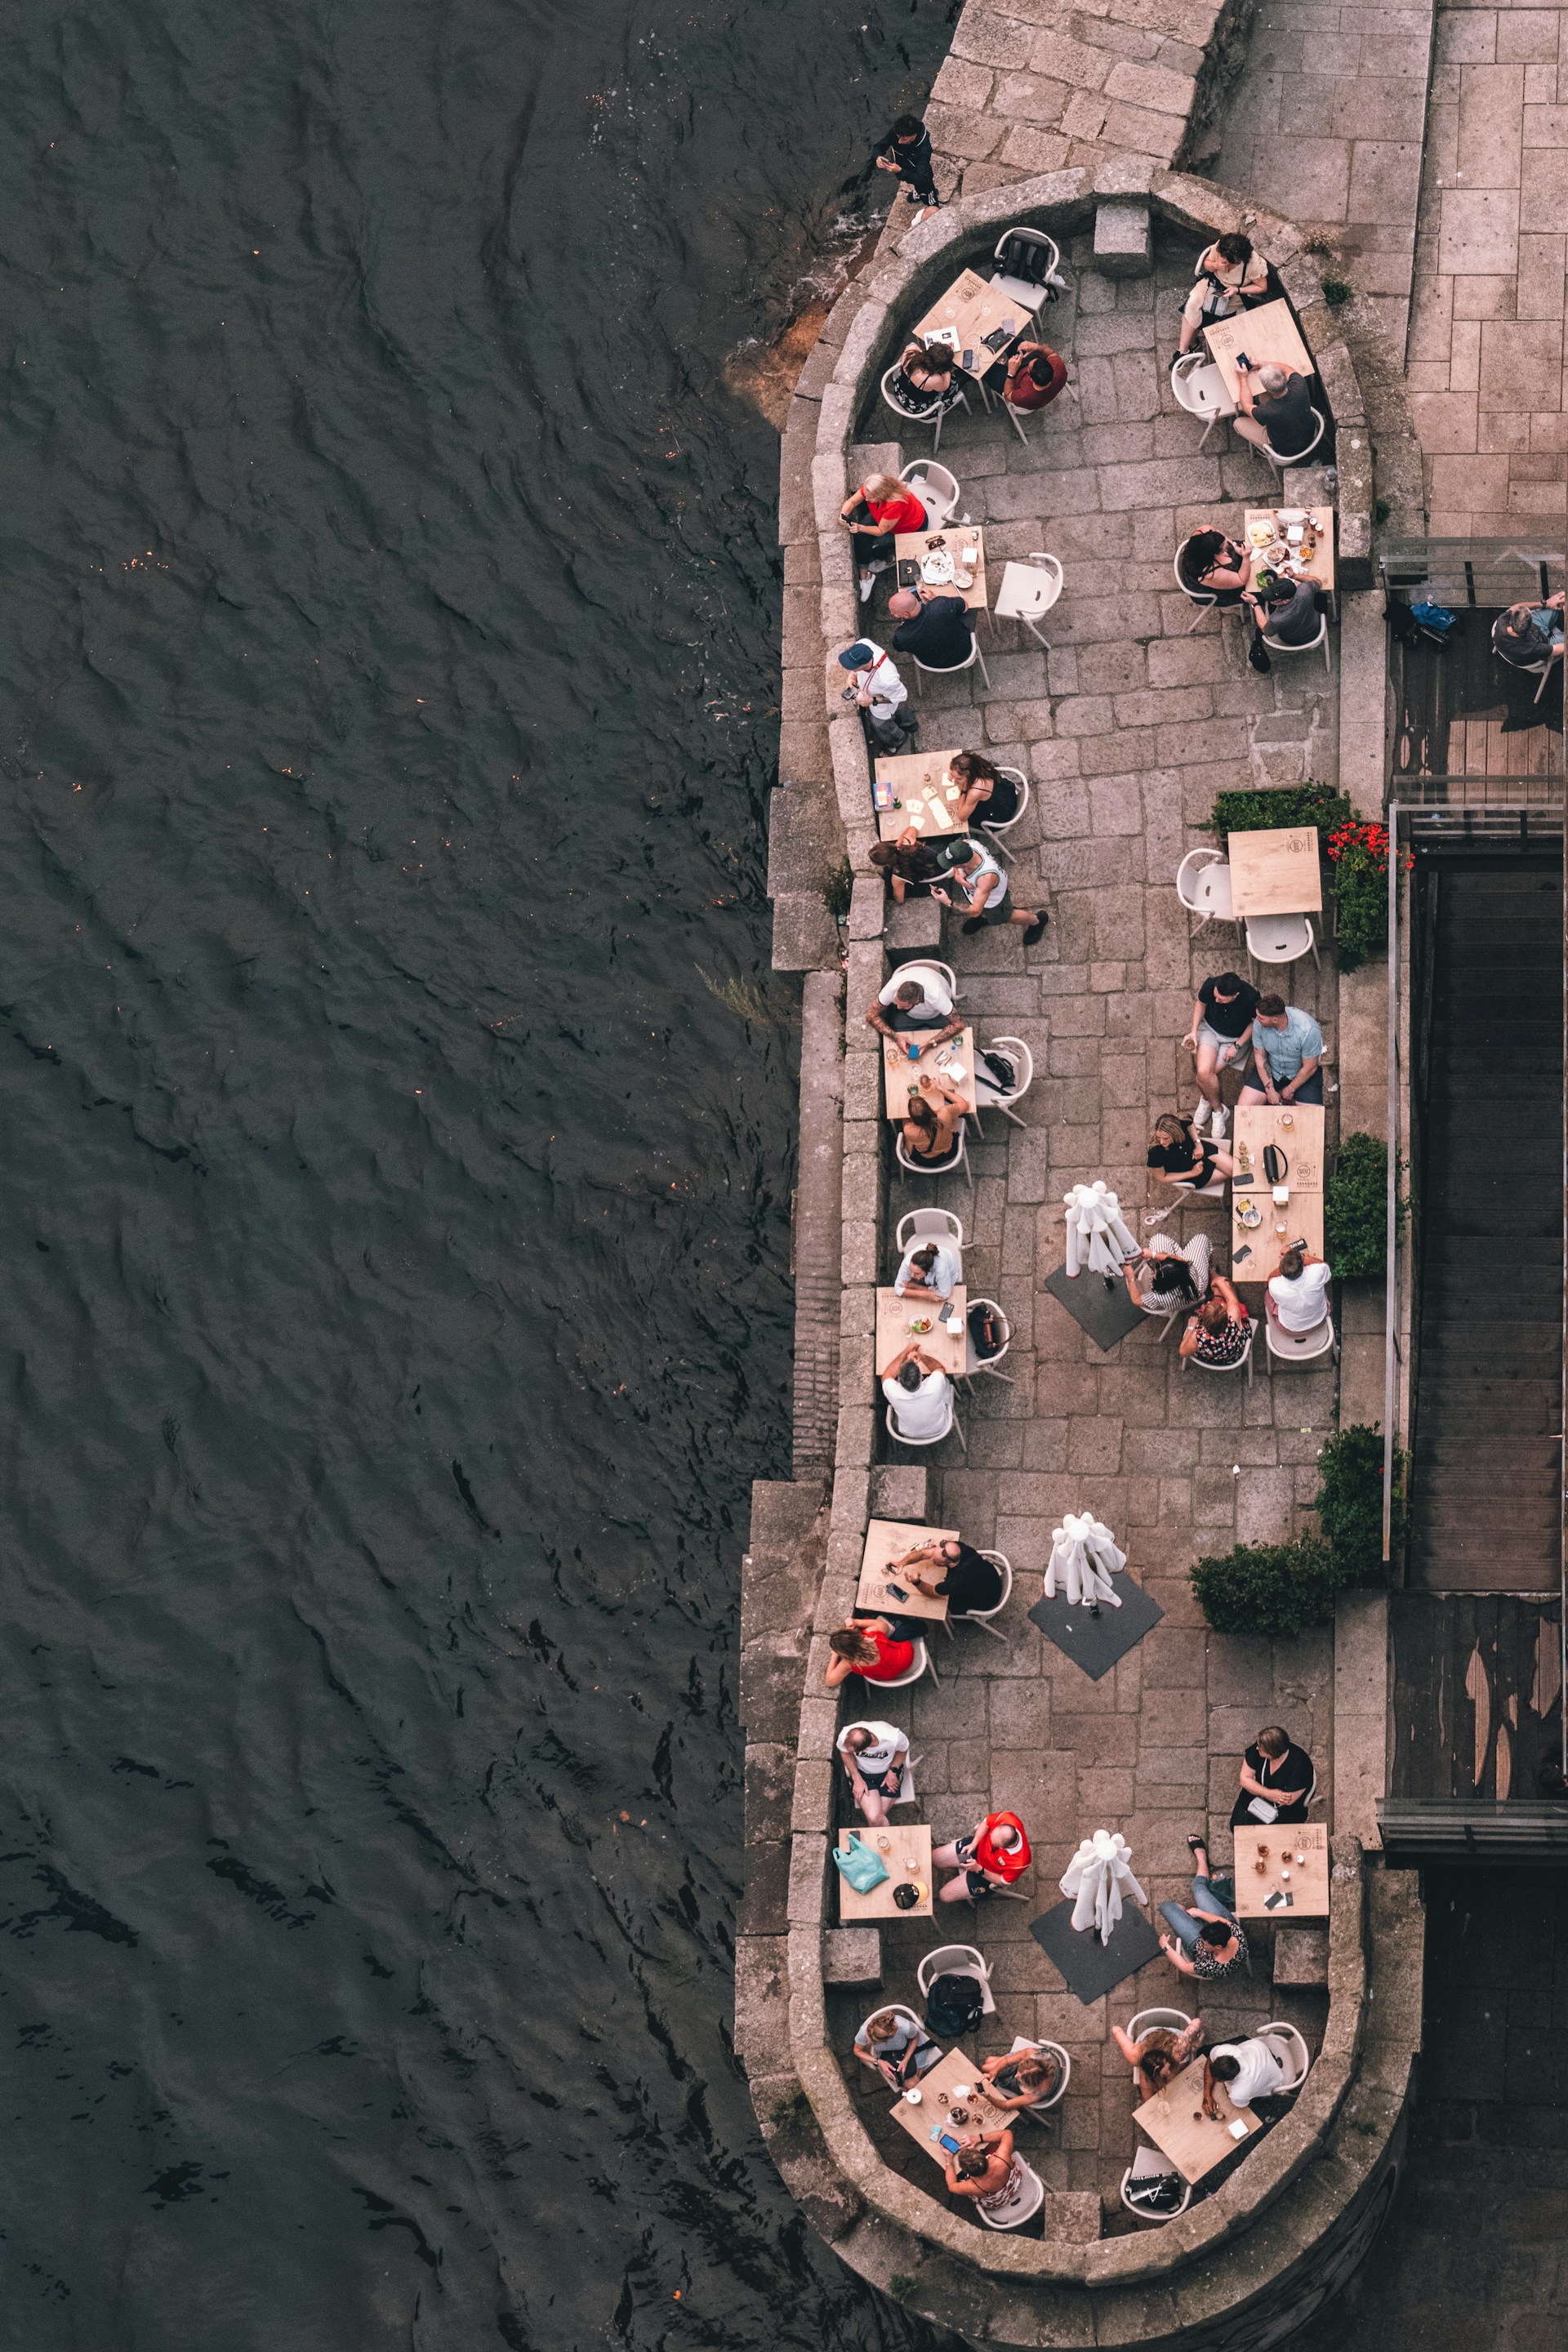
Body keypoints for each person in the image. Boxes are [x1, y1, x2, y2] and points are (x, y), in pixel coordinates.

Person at [1158, 1835, 1250, 1983]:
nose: (1201, 1941)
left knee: (1166, 1907)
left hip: (1204, 1952)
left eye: (1204, 1942)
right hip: (1220, 1934)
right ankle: (1201, 1857)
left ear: (1218, 1947)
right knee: (1197, 1888)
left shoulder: (1211, 1966)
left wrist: (1166, 1946)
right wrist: (1198, 1912)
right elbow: (1222, 1921)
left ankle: (1182, 1911)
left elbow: (1183, 1966)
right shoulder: (1235, 1933)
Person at [1182, 972, 1261, 1137]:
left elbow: (1256, 1023)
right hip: (1210, 1031)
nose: (1216, 1000)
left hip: (1233, 1040)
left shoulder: (1251, 997)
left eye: (1221, 999)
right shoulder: (1212, 985)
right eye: (1216, 996)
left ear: (1235, 996)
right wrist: (1194, 1032)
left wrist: (1237, 1046)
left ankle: (1206, 1099)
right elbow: (1201, 1004)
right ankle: (1219, 1110)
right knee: (1204, 1073)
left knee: (1204, 1078)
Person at [929, 840, 1047, 942]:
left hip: (994, 901)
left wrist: (948, 902)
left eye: (954, 865)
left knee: (1007, 916)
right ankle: (984, 918)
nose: (953, 867)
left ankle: (1036, 921)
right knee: (981, 909)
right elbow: (958, 863)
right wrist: (957, 876)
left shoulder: (985, 878)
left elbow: (975, 910)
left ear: (963, 864)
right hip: (978, 895)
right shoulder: (966, 845)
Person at [1175, 232, 1269, 359]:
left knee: (1210, 311)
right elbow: (1207, 263)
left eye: (1233, 263)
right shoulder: (1221, 247)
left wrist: (1237, 290)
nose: (1228, 265)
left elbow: (1262, 287)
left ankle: (1191, 344)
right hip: (1213, 281)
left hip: (1235, 292)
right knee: (1192, 303)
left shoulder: (1254, 265)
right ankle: (1183, 350)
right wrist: (1215, 265)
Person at [839, 475, 929, 604]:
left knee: (875, 546)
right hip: (883, 517)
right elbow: (852, 502)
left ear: (882, 495)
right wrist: (844, 514)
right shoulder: (874, 488)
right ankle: (865, 576)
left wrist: (861, 527)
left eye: (870, 498)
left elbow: (881, 530)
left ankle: (887, 559)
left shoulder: (894, 506)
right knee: (860, 537)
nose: (867, 499)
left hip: (909, 528)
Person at [888, 1534, 1004, 1619]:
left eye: (935, 1561)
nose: (931, 1559)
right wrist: (901, 1564)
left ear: (949, 1563)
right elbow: (924, 1553)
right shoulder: (958, 1549)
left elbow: (932, 1592)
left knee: (942, 1606)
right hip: (992, 1575)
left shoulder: (954, 1582)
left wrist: (917, 1582)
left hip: (986, 1600)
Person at [932, 1809, 1031, 1905]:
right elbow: (986, 1823)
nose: (990, 1843)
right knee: (933, 1859)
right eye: (991, 1833)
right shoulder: (1007, 1817)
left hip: (984, 1876)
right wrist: (973, 1844)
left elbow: (1001, 1881)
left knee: (943, 1896)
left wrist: (978, 1869)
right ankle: (961, 1873)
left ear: (1005, 1847)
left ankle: (964, 1876)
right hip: (975, 1849)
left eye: (994, 1844)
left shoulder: (1021, 1862)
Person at [837, 639, 919, 755]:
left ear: (864, 664)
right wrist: (852, 675)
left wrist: (872, 700)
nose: (849, 668)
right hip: (875, 694)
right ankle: (910, 724)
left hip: (884, 704)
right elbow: (856, 670)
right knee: (901, 714)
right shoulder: (863, 643)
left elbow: (901, 696)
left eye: (853, 666)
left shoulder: (887, 680)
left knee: (879, 723)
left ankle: (898, 740)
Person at [1240, 996, 1323, 1108]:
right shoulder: (1258, 1024)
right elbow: (1260, 1057)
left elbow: (1310, 1067)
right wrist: (1270, 1090)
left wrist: (1290, 1089)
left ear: (1275, 1020)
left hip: (1301, 1074)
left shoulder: (1308, 1030)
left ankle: (1290, 1100)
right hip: (1273, 1071)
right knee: (1243, 1107)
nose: (1256, 1020)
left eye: (1260, 1018)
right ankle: (1279, 1099)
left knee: (1313, 1117)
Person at [1231, 1724, 1315, 1828]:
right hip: (1255, 1798)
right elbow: (1244, 1779)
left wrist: (1254, 1786)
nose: (1257, 1748)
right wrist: (1268, 1793)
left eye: (1261, 1749)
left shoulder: (1300, 1765)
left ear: (1272, 1753)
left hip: (1285, 1811)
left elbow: (1287, 1800)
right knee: (1238, 1826)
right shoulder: (1261, 1746)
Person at [1233, 361, 1317, 461]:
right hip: (1309, 433)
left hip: (1286, 450)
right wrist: (1260, 363)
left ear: (1267, 388)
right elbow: (1287, 369)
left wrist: (1243, 378)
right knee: (1263, 398)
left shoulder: (1267, 411)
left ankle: (1264, 448)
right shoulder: (1299, 383)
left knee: (1238, 423)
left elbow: (1246, 406)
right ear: (1283, 378)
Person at [837, 1720, 911, 1827]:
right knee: (874, 1818)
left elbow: (903, 1750)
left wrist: (892, 1772)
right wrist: (856, 1778)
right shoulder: (845, 1735)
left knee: (875, 1819)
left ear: (866, 1749)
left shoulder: (893, 1737)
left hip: (887, 1773)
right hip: (863, 1775)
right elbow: (844, 1752)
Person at [1111, 2015, 1205, 2099]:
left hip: (1172, 2037)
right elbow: (1115, 2029)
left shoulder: (1179, 2052)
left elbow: (1197, 2021)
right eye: (1165, 2073)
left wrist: (1189, 2035)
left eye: (1167, 2069)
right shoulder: (1135, 2056)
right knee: (1146, 2085)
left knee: (1178, 2073)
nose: (1168, 2072)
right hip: (1149, 2038)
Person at [1248, 572, 1323, 674]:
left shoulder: (1277, 618)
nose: (1271, 601)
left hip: (1293, 640)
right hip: (1314, 629)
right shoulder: (1305, 590)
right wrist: (1294, 576)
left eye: (1274, 600)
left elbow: (1267, 630)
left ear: (1285, 601)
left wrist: (1255, 603)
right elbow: (1318, 582)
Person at [1122, 1232, 1212, 1316]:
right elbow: (1180, 1261)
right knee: (1202, 1238)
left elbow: (1136, 1300)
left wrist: (1131, 1277)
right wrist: (1153, 1255)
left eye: (1155, 1273)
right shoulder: (1189, 1271)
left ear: (1163, 1284)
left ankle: (1178, 1251)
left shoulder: (1158, 1296)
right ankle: (1183, 1253)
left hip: (1175, 1297)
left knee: (1157, 1240)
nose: (1153, 1272)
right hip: (1197, 1285)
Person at [880, 1339, 954, 1440]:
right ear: (921, 1377)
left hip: (908, 1433)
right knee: (946, 1382)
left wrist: (905, 1352)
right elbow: (939, 1368)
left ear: (899, 1381)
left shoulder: (893, 1392)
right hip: (940, 1428)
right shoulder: (934, 1386)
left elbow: (887, 1375)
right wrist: (922, 1357)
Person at [1147, 1111, 1234, 1195]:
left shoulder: (1182, 1120)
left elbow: (1190, 1123)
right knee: (1235, 1174)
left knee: (1236, 1170)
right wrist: (1192, 1173)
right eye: (1159, 1137)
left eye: (1166, 1138)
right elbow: (1162, 1178)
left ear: (1176, 1133)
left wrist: (1198, 1143)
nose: (1162, 1142)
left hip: (1201, 1151)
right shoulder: (1155, 1153)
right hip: (1192, 1172)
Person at [944, 2125, 1024, 2216]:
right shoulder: (1002, 2158)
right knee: (994, 2145)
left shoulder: (974, 2187)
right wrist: (979, 2138)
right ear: (984, 2158)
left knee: (958, 2177)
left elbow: (952, 2186)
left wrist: (949, 2159)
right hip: (1016, 2183)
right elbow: (1007, 2133)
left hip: (998, 2203)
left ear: (967, 2172)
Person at [889, 586, 973, 670]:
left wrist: (903, 628)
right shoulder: (941, 604)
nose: (892, 614)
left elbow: (898, 647)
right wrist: (935, 598)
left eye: (893, 613)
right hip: (965, 651)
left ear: (906, 615)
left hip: (934, 664)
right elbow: (965, 606)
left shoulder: (902, 636)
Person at [866, 968, 963, 1042]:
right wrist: (897, 1038)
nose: (898, 1007)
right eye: (897, 1001)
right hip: (909, 1016)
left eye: (904, 1006)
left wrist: (931, 1042)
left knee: (952, 1039)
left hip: (937, 1015)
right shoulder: (892, 989)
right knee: (896, 1029)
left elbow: (959, 1025)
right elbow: (870, 1016)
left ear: (916, 1001)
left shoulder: (936, 996)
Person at [855, 2005, 940, 2087]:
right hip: (888, 2054)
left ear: (888, 2039)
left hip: (909, 2048)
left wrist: (905, 2060)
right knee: (913, 2084)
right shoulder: (865, 2031)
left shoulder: (905, 2027)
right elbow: (857, 2050)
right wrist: (878, 2061)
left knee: (911, 2084)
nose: (868, 2043)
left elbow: (915, 2038)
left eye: (873, 2042)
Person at [823, 1614, 915, 1688]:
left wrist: (834, 1656)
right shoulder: (872, 1635)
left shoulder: (849, 1664)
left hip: (889, 1676)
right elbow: (884, 1625)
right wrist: (856, 1622)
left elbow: (830, 1682)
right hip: (906, 1657)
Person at [1179, 1277, 1250, 1370]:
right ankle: (1215, 1279)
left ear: (1203, 1320)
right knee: (1226, 1287)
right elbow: (1231, 1300)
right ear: (1226, 1317)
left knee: (1218, 1291)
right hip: (1234, 1357)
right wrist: (1217, 1281)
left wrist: (1191, 1327)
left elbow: (1182, 1351)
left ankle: (1214, 1286)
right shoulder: (1233, 1320)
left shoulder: (1198, 1337)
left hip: (1208, 1359)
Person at [1205, 2037, 1288, 2115]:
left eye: (1216, 2079)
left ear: (1226, 2080)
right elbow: (1210, 2059)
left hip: (1277, 2075)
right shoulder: (1222, 2051)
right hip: (1260, 2048)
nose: (1211, 2078)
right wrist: (1207, 2095)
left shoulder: (1239, 2093)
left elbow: (1240, 2103)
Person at [872, 114, 939, 209]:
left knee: (926, 189)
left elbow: (921, 178)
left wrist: (900, 171)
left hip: (920, 173)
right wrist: (878, 156)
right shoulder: (898, 132)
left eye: (904, 139)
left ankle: (930, 199)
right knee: (916, 184)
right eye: (898, 137)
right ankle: (918, 192)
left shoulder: (924, 149)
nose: (899, 142)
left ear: (914, 135)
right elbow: (878, 147)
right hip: (905, 165)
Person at [870, 836, 962, 903]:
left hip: (937, 871)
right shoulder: (909, 844)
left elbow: (899, 899)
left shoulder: (898, 877)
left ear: (886, 864)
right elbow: (909, 831)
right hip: (946, 853)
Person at [901, 1076, 968, 1166]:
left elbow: (905, 1122)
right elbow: (964, 1105)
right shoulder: (944, 1114)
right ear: (928, 1107)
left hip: (925, 1160)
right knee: (951, 1122)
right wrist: (940, 1088)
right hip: (949, 1152)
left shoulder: (908, 1130)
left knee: (909, 1141)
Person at [1178, 529, 1254, 608]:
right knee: (1258, 591)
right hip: (1223, 591)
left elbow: (1215, 531)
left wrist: (1234, 546)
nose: (1228, 548)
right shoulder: (1210, 574)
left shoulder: (1205, 537)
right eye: (1225, 549)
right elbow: (1241, 580)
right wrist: (1246, 558)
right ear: (1214, 554)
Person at [1492, 592, 1564, 673]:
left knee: (1562, 601)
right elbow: (1561, 649)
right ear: (1529, 628)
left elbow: (1517, 607)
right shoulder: (1529, 648)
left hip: (1537, 629)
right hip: (1545, 643)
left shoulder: (1502, 621)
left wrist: (1546, 604)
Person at [1267, 1247, 1331, 1337]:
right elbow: (1324, 1265)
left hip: (1291, 1329)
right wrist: (1302, 1258)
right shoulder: (1316, 1272)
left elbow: (1271, 1277)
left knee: (1267, 1294)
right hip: (1320, 1320)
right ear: (1302, 1269)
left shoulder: (1276, 1286)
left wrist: (1285, 1263)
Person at [948, 750, 1020, 829]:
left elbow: (962, 817)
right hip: (1005, 792)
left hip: (999, 815)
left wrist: (964, 791)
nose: (954, 781)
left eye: (959, 779)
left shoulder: (975, 792)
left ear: (968, 776)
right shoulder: (977, 764)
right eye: (953, 776)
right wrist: (955, 775)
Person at [980, 2046, 1062, 2114]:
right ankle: (996, 2075)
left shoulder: (1036, 2093)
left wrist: (989, 2097)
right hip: (1033, 2075)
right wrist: (994, 2072)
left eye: (1021, 2080)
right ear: (1026, 2061)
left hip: (1033, 2085)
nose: (1016, 2076)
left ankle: (997, 2080)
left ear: (1031, 2086)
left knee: (986, 2066)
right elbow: (1007, 2061)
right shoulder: (1030, 2053)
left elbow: (1006, 2105)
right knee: (987, 2064)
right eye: (1019, 2071)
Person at [1001, 338, 1069, 413]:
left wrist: (1011, 373)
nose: (1030, 362)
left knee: (991, 371)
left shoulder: (1025, 396)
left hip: (1014, 384)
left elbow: (1007, 395)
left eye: (1028, 368)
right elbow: (1051, 354)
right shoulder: (1058, 367)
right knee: (1016, 342)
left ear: (1031, 379)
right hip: (1044, 389)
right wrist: (1037, 347)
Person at [893, 1236, 962, 1305]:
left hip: (950, 1272)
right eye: (911, 1270)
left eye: (917, 1273)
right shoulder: (908, 1263)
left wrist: (916, 1287)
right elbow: (898, 1288)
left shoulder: (941, 1269)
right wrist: (924, 1294)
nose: (912, 1276)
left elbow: (944, 1295)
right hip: (929, 1281)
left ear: (929, 1270)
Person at [892, 338, 957, 409]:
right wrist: (947, 369)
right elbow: (945, 386)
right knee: (955, 381)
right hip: (915, 406)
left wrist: (940, 353)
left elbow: (914, 346)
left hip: (900, 391)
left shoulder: (910, 352)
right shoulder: (935, 379)